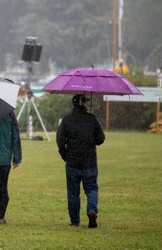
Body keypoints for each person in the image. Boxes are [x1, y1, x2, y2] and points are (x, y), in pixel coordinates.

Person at [56, 94, 106, 228]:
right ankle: (92, 210)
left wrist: (65, 155)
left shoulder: (66, 120)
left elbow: (60, 141)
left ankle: (74, 221)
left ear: (73, 104)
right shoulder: (92, 119)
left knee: (73, 193)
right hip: (90, 163)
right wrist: (90, 141)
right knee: (91, 189)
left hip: (72, 162)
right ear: (84, 104)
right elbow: (101, 138)